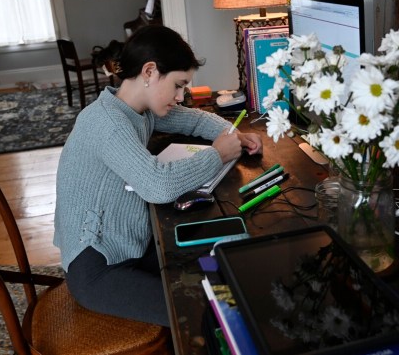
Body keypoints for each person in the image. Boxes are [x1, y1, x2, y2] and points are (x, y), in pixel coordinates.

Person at [54, 25, 263, 326]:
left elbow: (193, 120)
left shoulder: (137, 109)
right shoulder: (107, 122)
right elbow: (158, 185)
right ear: (150, 72)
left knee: (222, 257)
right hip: (98, 267)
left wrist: (232, 134)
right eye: (178, 85)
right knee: (204, 311)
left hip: (129, 245)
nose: (181, 96)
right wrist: (218, 154)